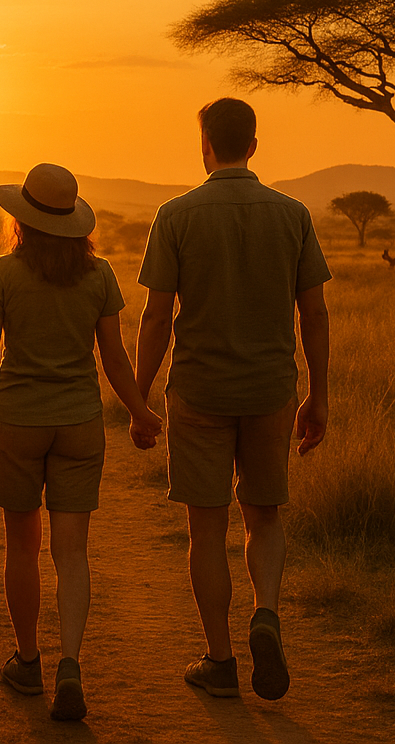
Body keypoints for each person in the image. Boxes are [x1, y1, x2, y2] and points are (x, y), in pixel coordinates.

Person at [133, 97, 331, 702]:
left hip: (198, 392)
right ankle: (265, 613)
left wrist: (139, 398)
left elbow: (157, 316)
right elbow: (314, 313)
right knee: (265, 516)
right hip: (272, 390)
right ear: (253, 144)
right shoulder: (292, 214)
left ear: (205, 144)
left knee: (205, 528)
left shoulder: (176, 215)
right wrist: (318, 396)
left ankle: (220, 661)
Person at [0, 163, 163, 722]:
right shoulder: (100, 276)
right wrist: (142, 412)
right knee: (72, 552)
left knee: (21, 547)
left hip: (18, 421)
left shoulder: (0, 273)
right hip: (79, 422)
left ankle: (28, 662)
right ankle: (71, 661)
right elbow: (113, 358)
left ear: (21, 220)